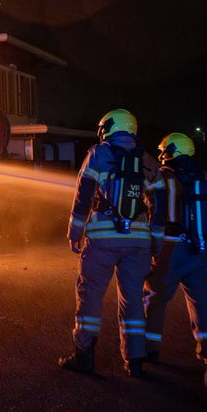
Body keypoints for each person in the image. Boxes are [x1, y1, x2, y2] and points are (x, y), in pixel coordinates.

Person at [59, 109, 166, 378]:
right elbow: (159, 206)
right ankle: (135, 360)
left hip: (103, 240)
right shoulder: (148, 160)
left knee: (90, 295)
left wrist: (75, 231)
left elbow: (83, 194)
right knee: (133, 300)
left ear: (109, 128)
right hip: (139, 242)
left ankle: (84, 356)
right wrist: (156, 241)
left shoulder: (98, 154)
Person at [143, 132, 207, 367]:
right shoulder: (206, 178)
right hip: (200, 247)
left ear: (169, 152)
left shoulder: (163, 177)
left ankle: (149, 349)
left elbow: (152, 207)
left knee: (155, 298)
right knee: (200, 298)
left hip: (170, 248)